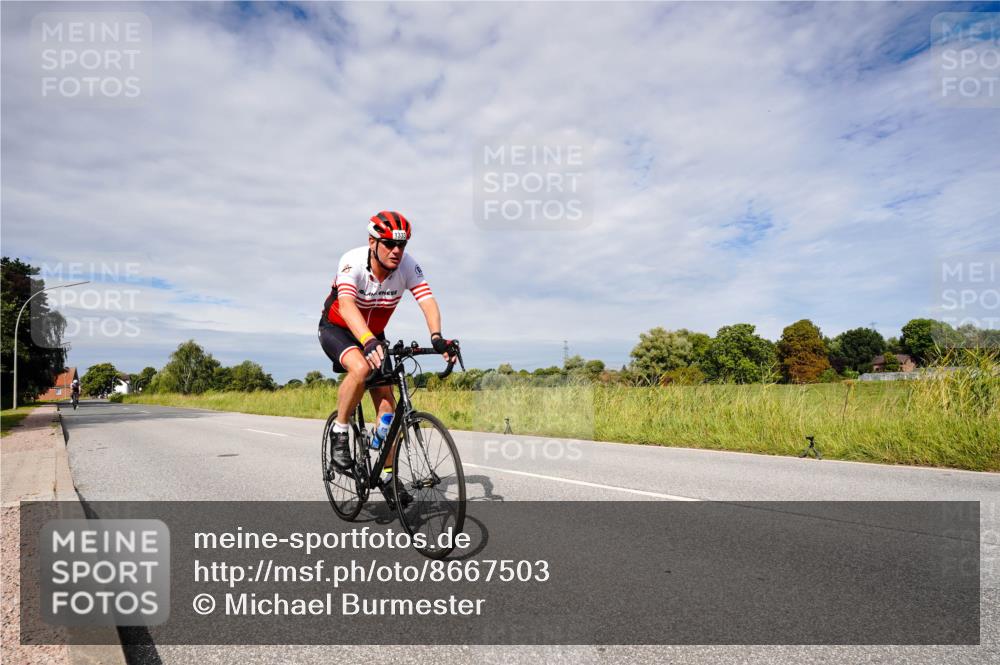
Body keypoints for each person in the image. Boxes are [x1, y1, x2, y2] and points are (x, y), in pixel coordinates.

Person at [318, 211, 456, 504]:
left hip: (373, 336)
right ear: (372, 242)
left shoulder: (408, 266)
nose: (397, 251)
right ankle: (340, 433)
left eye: (402, 245)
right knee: (359, 368)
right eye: (390, 245)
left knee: (388, 408)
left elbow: (427, 301)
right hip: (338, 328)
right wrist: (366, 341)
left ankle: (387, 475)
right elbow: (346, 305)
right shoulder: (352, 261)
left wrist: (437, 337)